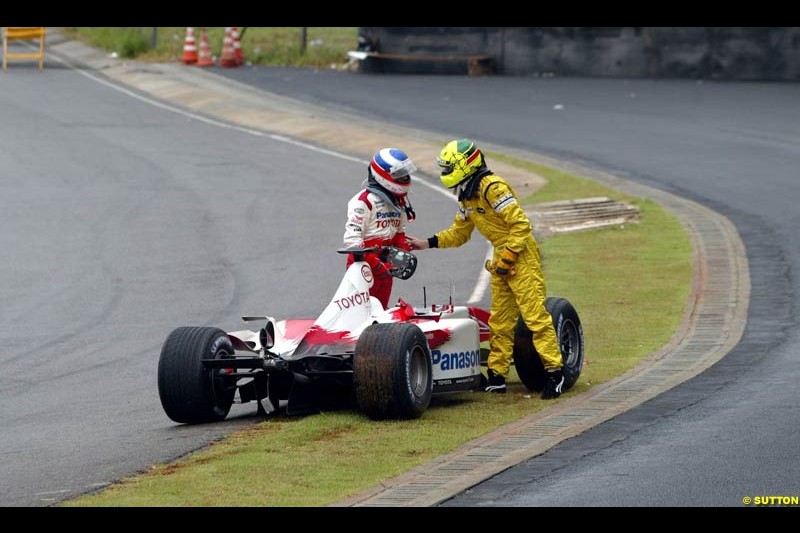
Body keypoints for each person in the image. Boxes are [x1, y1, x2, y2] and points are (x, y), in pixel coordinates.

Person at [407, 139, 564, 399]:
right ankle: (497, 377)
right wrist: (427, 243)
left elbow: (521, 225)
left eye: (448, 168)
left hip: (521, 255)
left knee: (535, 317)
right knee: (499, 321)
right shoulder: (467, 196)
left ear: (464, 166)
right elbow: (459, 233)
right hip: (500, 257)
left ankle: (554, 374)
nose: (445, 174)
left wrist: (510, 256)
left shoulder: (493, 188)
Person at [343, 147, 417, 309]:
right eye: (399, 174)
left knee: (380, 311)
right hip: (363, 266)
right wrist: (375, 263)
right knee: (360, 312)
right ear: (383, 174)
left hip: (386, 266)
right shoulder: (363, 201)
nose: (404, 177)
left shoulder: (400, 202)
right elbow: (352, 241)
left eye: (405, 173)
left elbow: (399, 233)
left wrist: (402, 253)